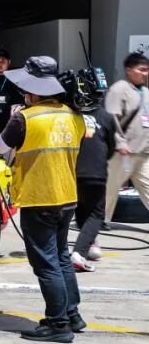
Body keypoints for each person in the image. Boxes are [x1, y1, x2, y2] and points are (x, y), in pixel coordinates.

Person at [0, 56, 86, 342]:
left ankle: (58, 325)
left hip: (39, 198)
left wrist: (14, 118)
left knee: (46, 263)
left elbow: (0, 145)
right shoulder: (75, 116)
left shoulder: (24, 118)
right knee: (61, 257)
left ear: (34, 91)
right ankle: (72, 314)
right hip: (67, 197)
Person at [104, 52, 149, 223]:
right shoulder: (119, 89)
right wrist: (120, 142)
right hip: (122, 153)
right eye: (141, 69)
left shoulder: (146, 91)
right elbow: (111, 119)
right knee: (110, 189)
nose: (145, 73)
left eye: (147, 70)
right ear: (129, 70)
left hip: (143, 152)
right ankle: (97, 223)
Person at [71, 104, 116, 272]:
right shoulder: (106, 117)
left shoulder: (70, 114)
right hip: (96, 172)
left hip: (73, 171)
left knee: (81, 209)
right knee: (96, 214)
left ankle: (89, 244)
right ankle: (79, 252)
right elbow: (111, 148)